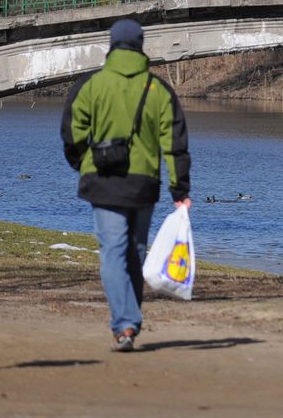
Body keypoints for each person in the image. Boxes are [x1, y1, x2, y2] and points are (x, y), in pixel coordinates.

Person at [61, 18, 191, 352]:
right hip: (143, 184)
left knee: (113, 253)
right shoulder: (158, 89)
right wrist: (181, 190)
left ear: (112, 44)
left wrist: (81, 163)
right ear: (141, 44)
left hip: (103, 180)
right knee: (134, 252)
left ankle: (125, 325)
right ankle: (129, 322)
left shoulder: (91, 84)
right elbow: (174, 142)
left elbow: (72, 131)